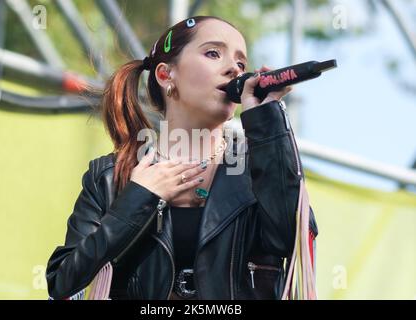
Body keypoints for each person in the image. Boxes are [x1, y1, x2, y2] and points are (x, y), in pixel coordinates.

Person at [46, 15, 318, 300]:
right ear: (165, 75)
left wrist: (266, 119)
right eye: (213, 53)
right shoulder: (109, 176)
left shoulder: (257, 169)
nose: (233, 70)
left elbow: (294, 241)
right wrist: (138, 198)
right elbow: (64, 281)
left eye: (241, 64)